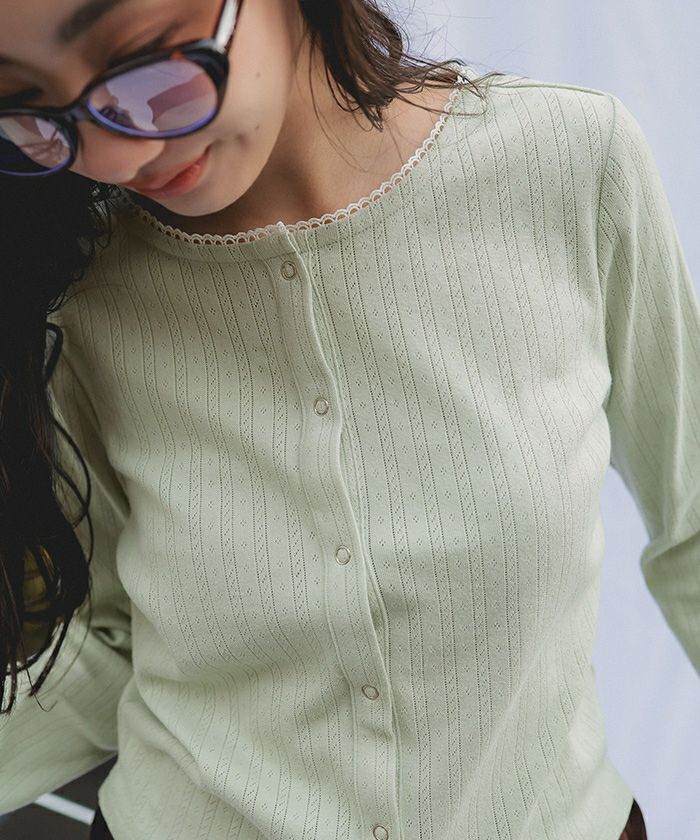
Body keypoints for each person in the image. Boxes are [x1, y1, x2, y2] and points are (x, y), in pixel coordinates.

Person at [1, 0, 694, 837]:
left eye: (142, 61)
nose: (112, 155)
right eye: (29, 107)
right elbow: (108, 630)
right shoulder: (77, 291)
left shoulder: (571, 163)